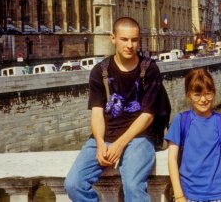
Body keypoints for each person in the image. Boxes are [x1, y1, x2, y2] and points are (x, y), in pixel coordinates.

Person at [64, 17, 165, 202]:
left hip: (139, 136)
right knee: (74, 184)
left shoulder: (149, 69)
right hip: (107, 136)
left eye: (134, 40)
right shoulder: (100, 71)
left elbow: (148, 115)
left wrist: (119, 144)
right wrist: (101, 143)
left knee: (133, 186)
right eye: (124, 39)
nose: (130, 45)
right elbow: (97, 112)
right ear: (113, 38)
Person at [165, 68, 221, 202]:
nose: (203, 99)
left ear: (214, 93)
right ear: (188, 95)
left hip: (220, 195)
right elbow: (172, 159)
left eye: (208, 94)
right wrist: (179, 195)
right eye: (197, 94)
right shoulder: (181, 121)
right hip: (188, 195)